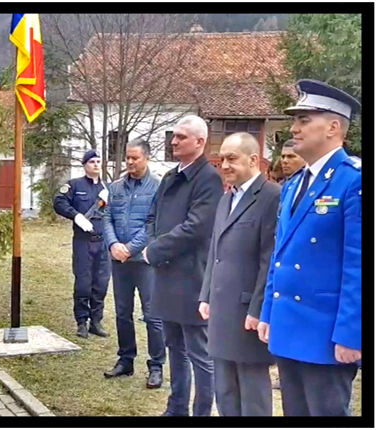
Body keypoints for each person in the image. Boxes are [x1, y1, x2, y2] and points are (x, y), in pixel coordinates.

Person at [258, 79, 361, 416]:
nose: (294, 128)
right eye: (295, 120)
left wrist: (352, 332)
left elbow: (359, 265)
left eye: (304, 120)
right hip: (289, 326)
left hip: (326, 333)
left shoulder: (354, 181)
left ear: (333, 127)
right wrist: (269, 313)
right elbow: (280, 254)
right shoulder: (296, 183)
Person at [142, 115, 223, 416]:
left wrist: (156, 249)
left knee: (200, 354)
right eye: (174, 136)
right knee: (174, 347)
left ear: (200, 142)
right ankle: (176, 410)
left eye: (181, 137)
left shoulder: (208, 180)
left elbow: (197, 228)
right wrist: (152, 245)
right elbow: (153, 216)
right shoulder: (169, 176)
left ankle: (201, 413)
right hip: (166, 274)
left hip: (191, 278)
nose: (174, 141)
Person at [198, 132, 280, 416]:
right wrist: (206, 294)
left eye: (232, 159)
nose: (224, 165)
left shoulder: (271, 197)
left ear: (254, 159)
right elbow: (215, 250)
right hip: (221, 310)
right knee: (226, 392)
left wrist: (259, 309)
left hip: (248, 314)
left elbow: (269, 260)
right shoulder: (226, 199)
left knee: (252, 395)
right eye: (222, 160)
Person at [101, 139, 165, 388]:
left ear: (146, 158)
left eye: (135, 158)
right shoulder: (115, 188)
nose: (129, 162)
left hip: (145, 261)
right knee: (122, 313)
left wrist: (130, 247)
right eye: (127, 157)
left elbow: (154, 225)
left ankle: (156, 365)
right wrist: (113, 245)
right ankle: (126, 359)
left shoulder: (157, 188)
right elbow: (106, 218)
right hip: (119, 261)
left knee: (152, 315)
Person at [54, 149, 111, 339]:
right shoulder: (74, 185)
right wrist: (76, 215)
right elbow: (59, 202)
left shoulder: (107, 188)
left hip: (103, 243)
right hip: (83, 243)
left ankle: (96, 321)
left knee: (101, 284)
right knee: (83, 285)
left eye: (98, 161)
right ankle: (81, 323)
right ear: (85, 165)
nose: (96, 164)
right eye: (92, 161)